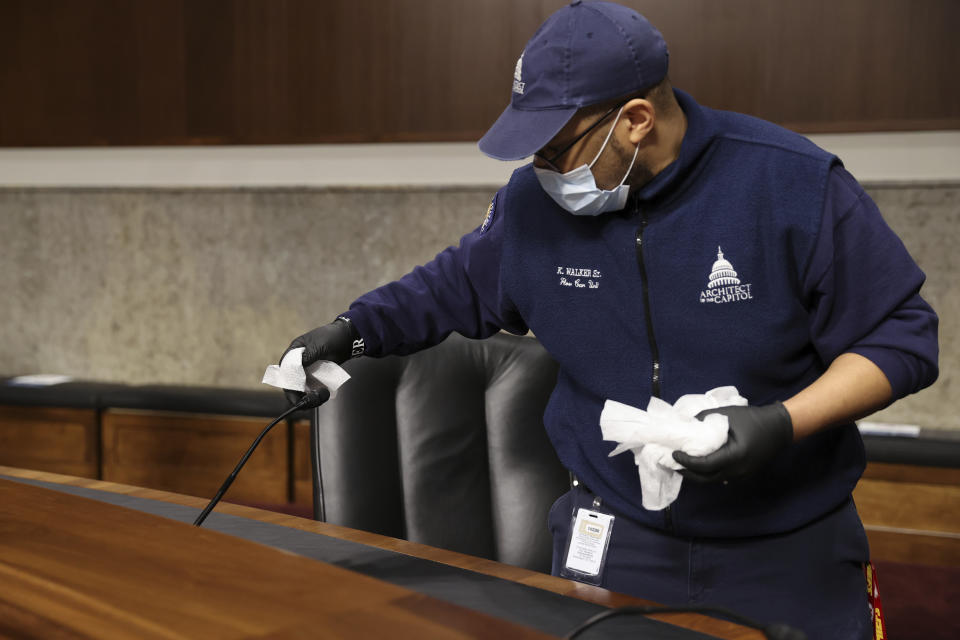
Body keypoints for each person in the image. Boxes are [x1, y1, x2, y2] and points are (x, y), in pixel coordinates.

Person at [282, 2, 938, 638]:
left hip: (786, 543)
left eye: (555, 150)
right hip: (618, 534)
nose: (540, 171)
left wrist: (779, 423)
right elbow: (448, 287)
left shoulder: (793, 185)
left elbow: (900, 338)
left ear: (635, 120)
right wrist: (352, 330)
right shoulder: (533, 208)